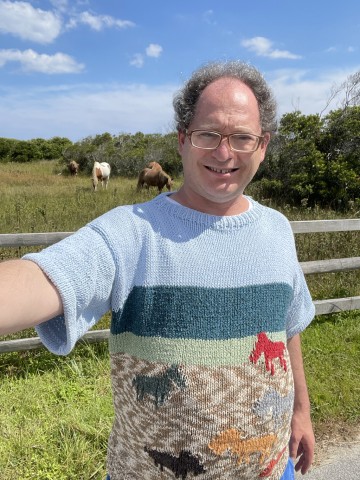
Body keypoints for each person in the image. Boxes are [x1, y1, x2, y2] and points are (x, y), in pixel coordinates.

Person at [0, 61, 315, 480]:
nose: (225, 153)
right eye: (208, 135)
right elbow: (42, 278)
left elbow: (286, 325)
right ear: (183, 140)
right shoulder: (130, 232)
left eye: (242, 137)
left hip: (273, 468)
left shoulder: (278, 228)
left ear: (262, 145)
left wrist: (301, 411)